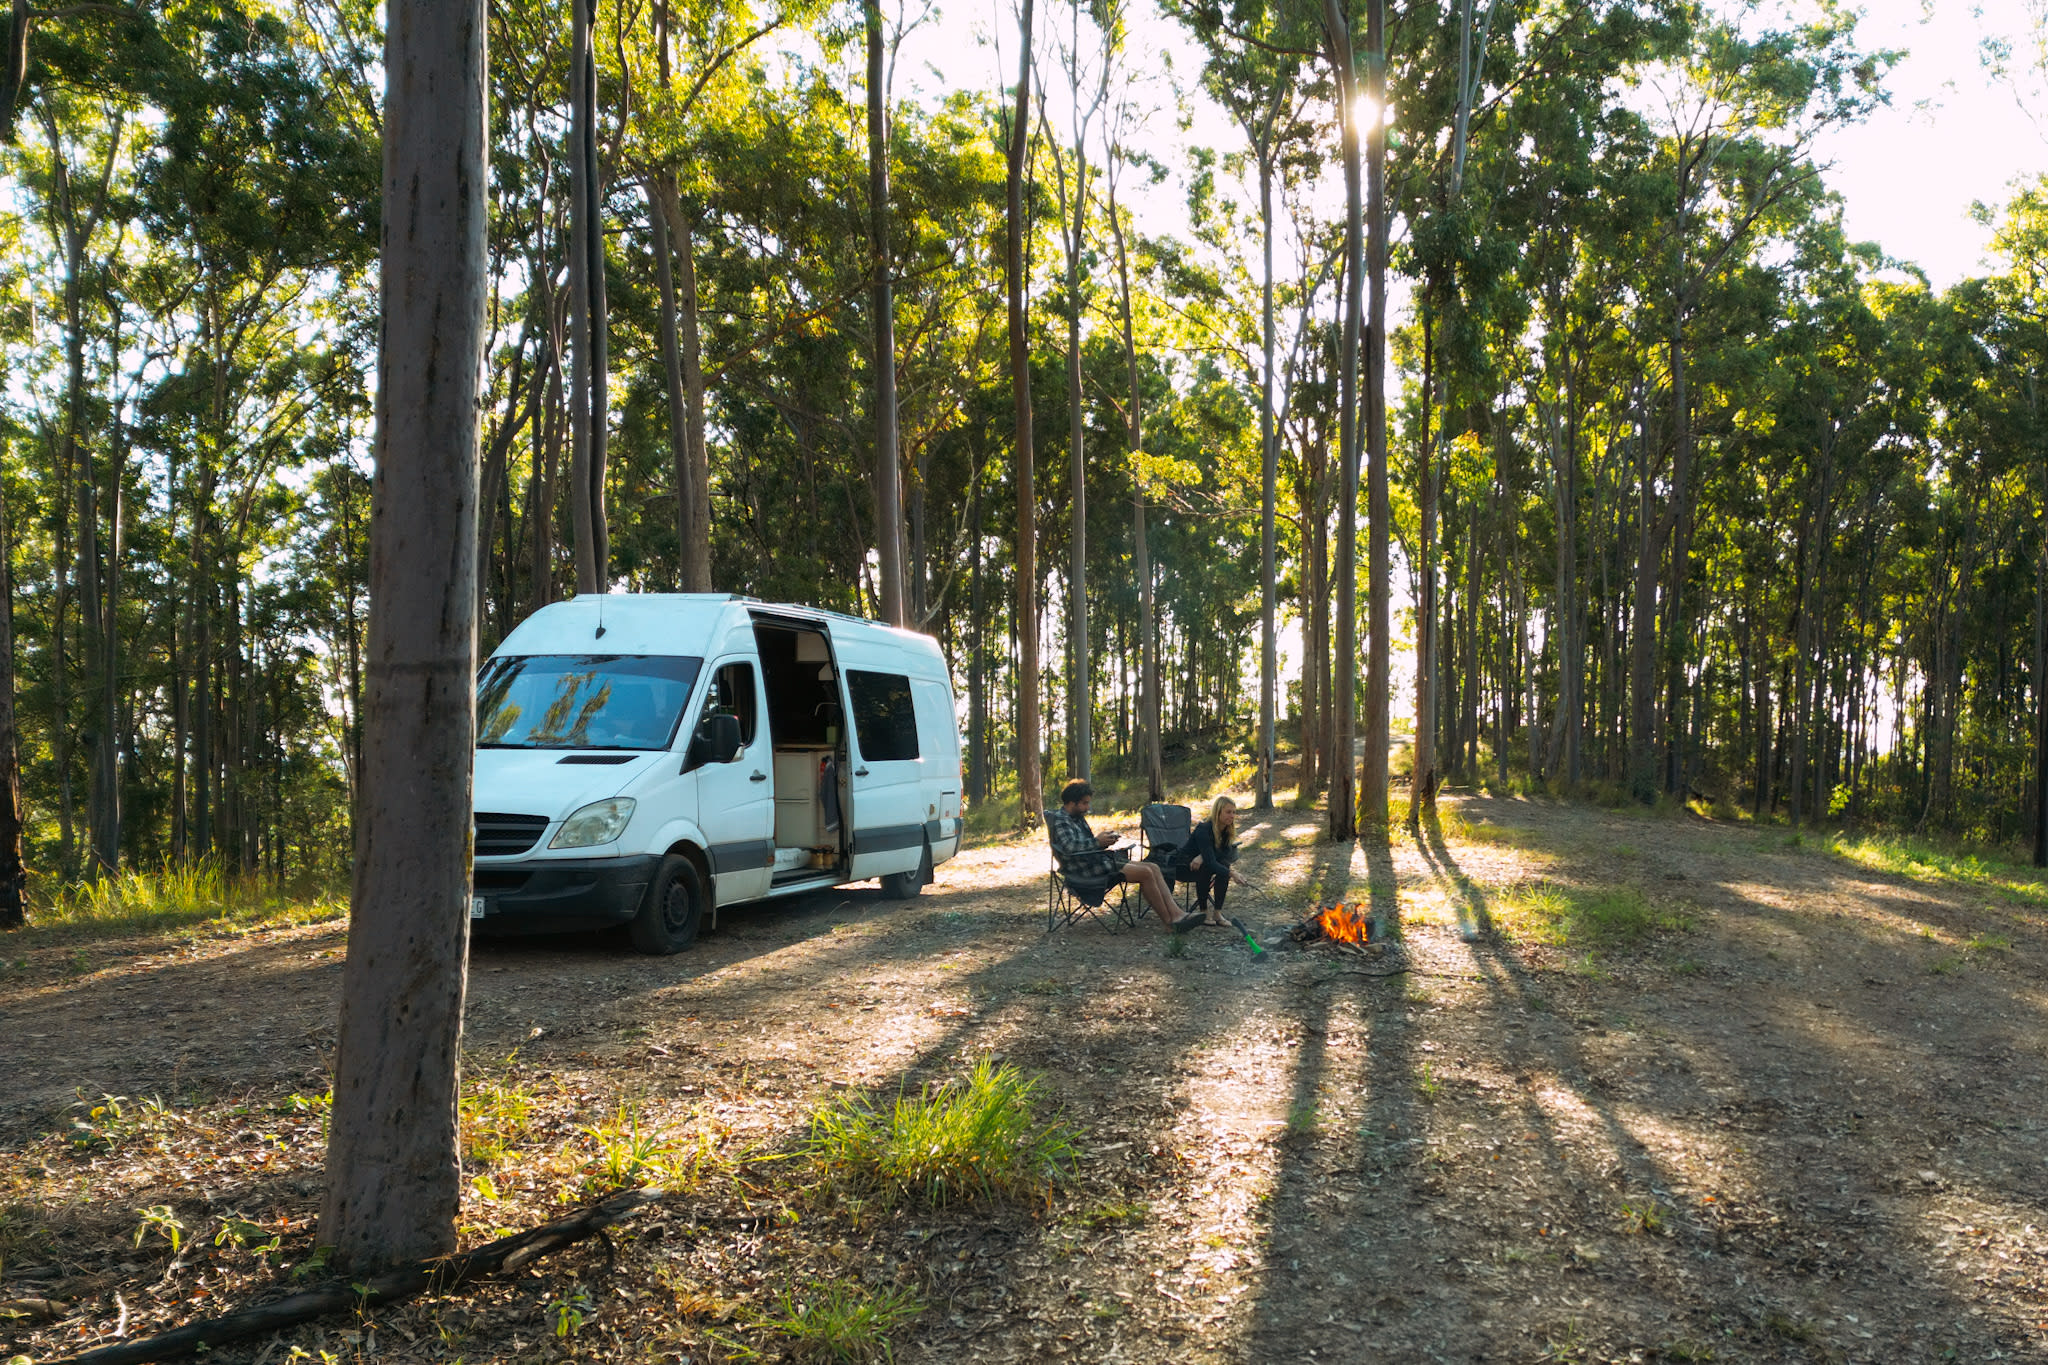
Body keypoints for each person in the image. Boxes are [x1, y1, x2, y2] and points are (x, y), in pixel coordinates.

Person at [1047, 780, 1203, 932]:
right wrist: (1097, 842)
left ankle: (1177, 914)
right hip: (1083, 870)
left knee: (1153, 867)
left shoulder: (1076, 818)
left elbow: (1083, 844)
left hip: (1096, 860)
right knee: (1145, 873)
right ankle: (1170, 923)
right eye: (1084, 803)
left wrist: (1104, 841)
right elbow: (1069, 848)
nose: (1087, 808)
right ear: (1071, 802)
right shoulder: (1061, 820)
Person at [1179, 795, 1239, 924]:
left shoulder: (1226, 830)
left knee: (1224, 866)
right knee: (1207, 867)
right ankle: (1204, 911)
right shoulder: (1204, 829)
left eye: (1234, 812)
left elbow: (1225, 853)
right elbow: (1211, 861)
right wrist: (1233, 874)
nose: (1232, 816)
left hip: (1203, 862)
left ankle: (1217, 912)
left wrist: (1202, 856)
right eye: (1228, 812)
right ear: (1218, 812)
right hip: (1185, 864)